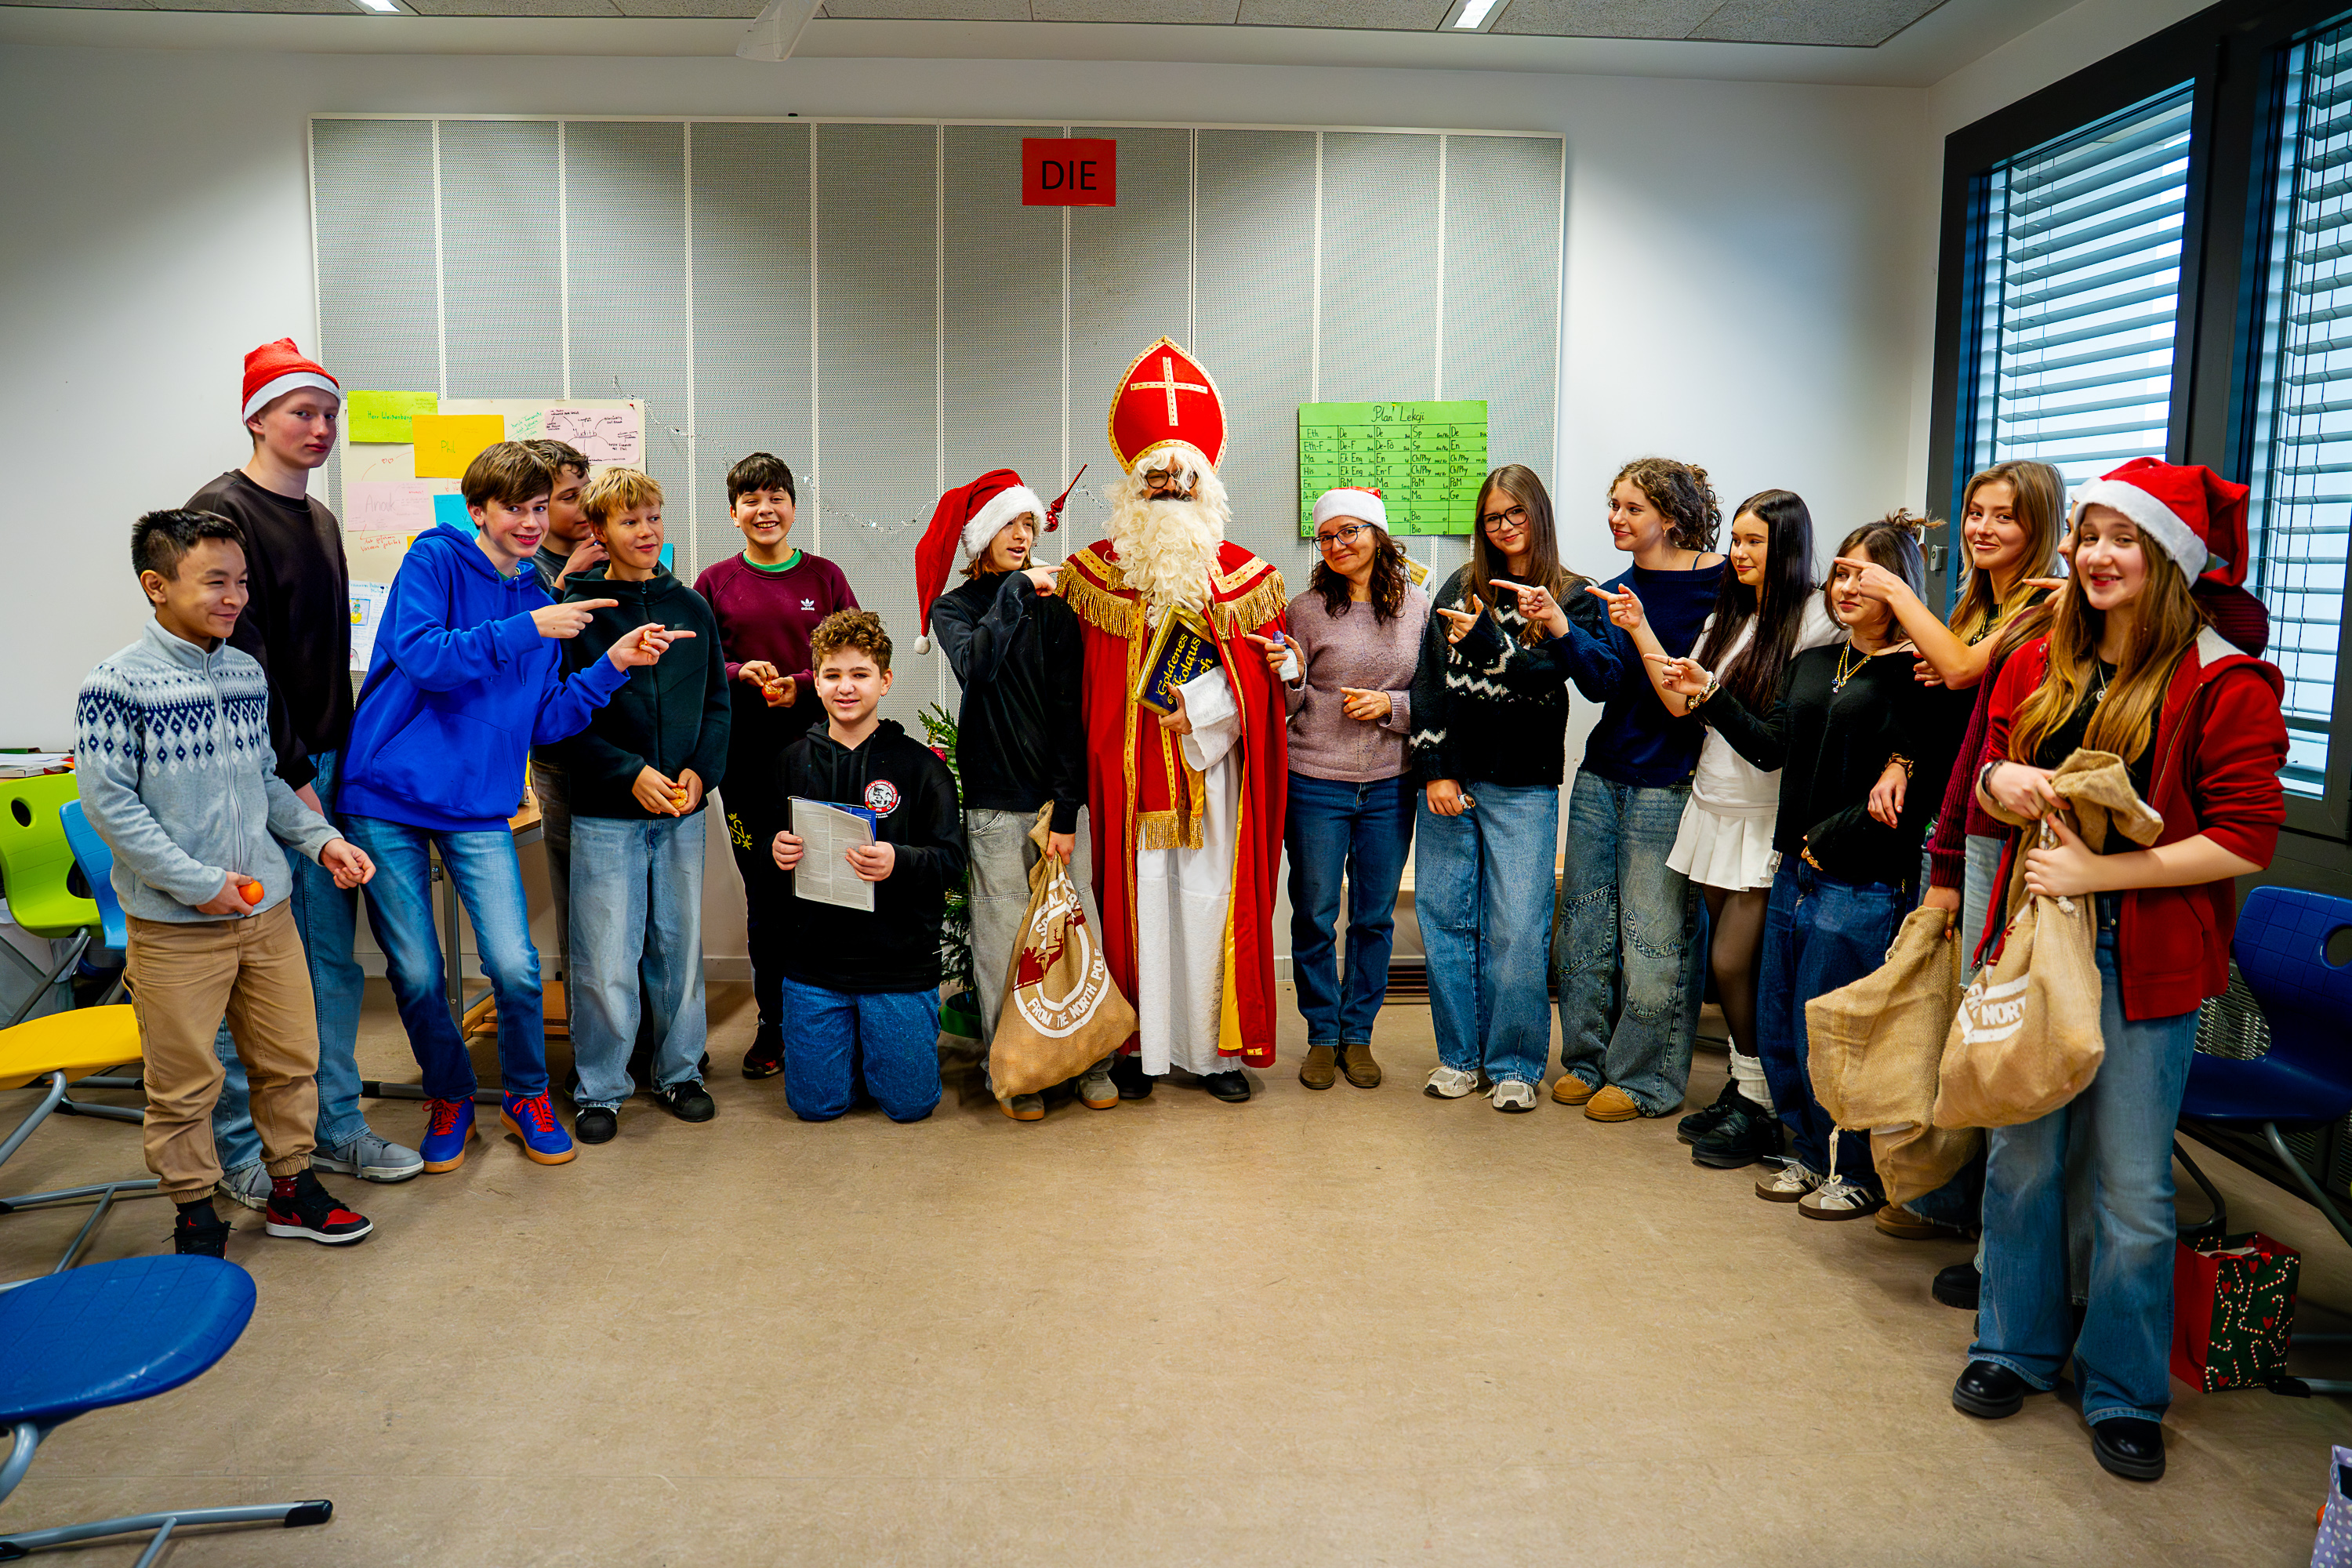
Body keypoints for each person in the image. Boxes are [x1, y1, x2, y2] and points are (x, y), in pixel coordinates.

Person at [1952, 459, 2284, 1486]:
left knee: (2132, 1187)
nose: (2095, 555)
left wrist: (2103, 871)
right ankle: (2012, 1343)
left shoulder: (2222, 679)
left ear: (2168, 559)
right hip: (2034, 940)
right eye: (2088, 534)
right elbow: (1988, 769)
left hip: (2145, 959)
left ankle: (2126, 1389)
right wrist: (2006, 778)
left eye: (2122, 538)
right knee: (2022, 1159)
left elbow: (2245, 839)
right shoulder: (2038, 655)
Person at [338, 442, 685, 1172]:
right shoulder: (435, 560)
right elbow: (426, 656)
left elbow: (546, 720)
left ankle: (527, 1095)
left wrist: (612, 665)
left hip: (477, 804)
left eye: (538, 508)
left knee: (515, 966)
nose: (530, 523)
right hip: (386, 796)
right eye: (514, 509)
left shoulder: (539, 597)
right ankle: (450, 1094)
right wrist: (530, 628)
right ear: (478, 511)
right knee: (419, 972)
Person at [74, 508, 379, 1257]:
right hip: (176, 925)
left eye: (241, 582)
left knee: (289, 1062)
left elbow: (267, 781)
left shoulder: (245, 672)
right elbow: (112, 808)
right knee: (183, 1082)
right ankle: (194, 1213)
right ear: (156, 585)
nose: (235, 597)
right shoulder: (115, 685)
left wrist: (322, 841)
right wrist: (197, 884)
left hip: (266, 911)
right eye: (215, 582)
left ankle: (291, 1189)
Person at [1649, 513, 1971, 1218]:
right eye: (1842, 573)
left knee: (1838, 1032)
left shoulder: (1920, 673)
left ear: (1900, 587)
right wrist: (1710, 693)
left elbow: (1925, 777)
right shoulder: (1817, 662)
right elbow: (1770, 748)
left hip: (1862, 877)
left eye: (1866, 576)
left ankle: (1850, 1168)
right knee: (1783, 1023)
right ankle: (1802, 1149)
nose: (1846, 587)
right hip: (1795, 866)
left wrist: (1838, 824)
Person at [190, 338, 423, 1207]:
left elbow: (326, 664)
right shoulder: (220, 512)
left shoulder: (321, 519)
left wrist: (341, 764)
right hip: (255, 777)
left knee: (329, 962)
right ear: (258, 418)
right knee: (246, 969)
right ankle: (240, 1149)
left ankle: (335, 1126)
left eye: (330, 414)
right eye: (302, 412)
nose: (321, 427)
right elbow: (239, 666)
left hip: (324, 764)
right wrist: (295, 777)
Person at [1058, 338, 1288, 1103]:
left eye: (1179, 473)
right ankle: (1137, 1049)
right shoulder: (1092, 577)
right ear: (1130, 486)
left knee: (1208, 907)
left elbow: (1263, 687)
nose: (1166, 486)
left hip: (1212, 782)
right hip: (1125, 788)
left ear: (1205, 482)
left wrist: (1205, 708)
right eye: (1152, 474)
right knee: (1135, 907)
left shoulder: (1249, 579)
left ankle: (1216, 1057)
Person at [1599, 489, 1836, 1167]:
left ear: (1788, 546)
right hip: (1713, 804)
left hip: (1765, 815)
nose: (1739, 552)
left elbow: (1775, 734)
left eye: (1755, 541)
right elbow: (1681, 701)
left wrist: (1710, 691)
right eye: (1735, 539)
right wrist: (1640, 628)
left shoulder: (1818, 617)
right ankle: (1747, 1088)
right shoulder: (1731, 614)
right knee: (1729, 969)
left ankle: (1761, 1101)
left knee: (1735, 963)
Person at [1409, 464, 1618, 1112]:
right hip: (1452, 781)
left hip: (1524, 785)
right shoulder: (1459, 585)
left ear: (1538, 514)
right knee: (1446, 920)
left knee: (1519, 929)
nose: (1503, 527)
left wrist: (1491, 640)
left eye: (1515, 514)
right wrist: (1436, 769)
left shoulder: (1571, 597)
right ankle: (1459, 1058)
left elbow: (1547, 676)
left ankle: (1516, 1065)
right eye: (1492, 518)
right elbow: (1428, 681)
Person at [913, 468, 1113, 1120]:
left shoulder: (1057, 609)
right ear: (981, 537)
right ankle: (1016, 1070)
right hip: (993, 804)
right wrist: (1017, 590)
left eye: (1028, 523)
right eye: (1009, 524)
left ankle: (1090, 1062)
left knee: (1079, 932)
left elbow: (1070, 712)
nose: (1022, 535)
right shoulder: (955, 609)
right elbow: (977, 663)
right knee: (1001, 942)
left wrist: (1068, 809)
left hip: (1055, 803)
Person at [549, 467, 729, 1144]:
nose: (647, 531)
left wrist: (699, 774)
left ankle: (680, 1072)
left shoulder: (692, 607)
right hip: (606, 812)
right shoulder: (580, 613)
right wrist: (628, 774)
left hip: (682, 813)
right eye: (630, 521)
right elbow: (560, 719)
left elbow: (717, 704)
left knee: (678, 948)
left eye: (653, 517)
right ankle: (601, 1085)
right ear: (599, 531)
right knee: (604, 957)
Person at [1553, 457, 1726, 1123]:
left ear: (1672, 518)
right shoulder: (1614, 591)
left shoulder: (1721, 585)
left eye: (1632, 508)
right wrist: (1565, 630)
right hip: (1602, 778)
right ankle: (1587, 1062)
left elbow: (1690, 694)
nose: (1615, 518)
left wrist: (1636, 626)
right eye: (1613, 505)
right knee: (1584, 931)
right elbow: (1606, 685)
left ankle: (1645, 1080)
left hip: (1670, 783)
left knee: (1656, 941)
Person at [1250, 488, 1429, 1092]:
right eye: (1327, 536)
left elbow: (1434, 696)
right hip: (1315, 783)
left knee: (1374, 919)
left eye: (1349, 531)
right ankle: (1323, 1035)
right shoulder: (1304, 611)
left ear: (1378, 535)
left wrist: (1392, 707)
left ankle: (1359, 1036)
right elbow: (1286, 705)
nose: (1337, 545)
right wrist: (1292, 676)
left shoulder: (1417, 606)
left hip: (1390, 785)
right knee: (1315, 915)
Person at [694, 452, 858, 1080]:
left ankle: (834, 1020)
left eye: (776, 497)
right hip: (746, 770)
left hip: (823, 763)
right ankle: (775, 1024)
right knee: (766, 899)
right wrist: (740, 672)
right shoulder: (715, 583)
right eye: (751, 500)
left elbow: (857, 656)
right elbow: (699, 664)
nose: (765, 510)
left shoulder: (826, 577)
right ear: (733, 513)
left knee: (829, 892)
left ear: (793, 504)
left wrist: (803, 685)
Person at [768, 610, 966, 1123]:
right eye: (833, 675)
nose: (846, 687)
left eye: (860, 674)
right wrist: (776, 851)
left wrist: (899, 860)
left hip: (897, 966)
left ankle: (875, 1044)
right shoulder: (791, 762)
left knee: (910, 1106)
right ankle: (850, 1049)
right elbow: (765, 852)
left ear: (885, 680)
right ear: (816, 683)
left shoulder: (923, 768)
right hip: (814, 966)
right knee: (815, 1106)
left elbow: (952, 862)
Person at [523, 437, 601, 998]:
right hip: (560, 755)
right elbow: (528, 655)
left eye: (585, 491)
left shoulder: (604, 550)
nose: (584, 506)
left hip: (615, 748)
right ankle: (586, 1025)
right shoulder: (526, 566)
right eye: (569, 497)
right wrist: (566, 579)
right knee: (579, 901)